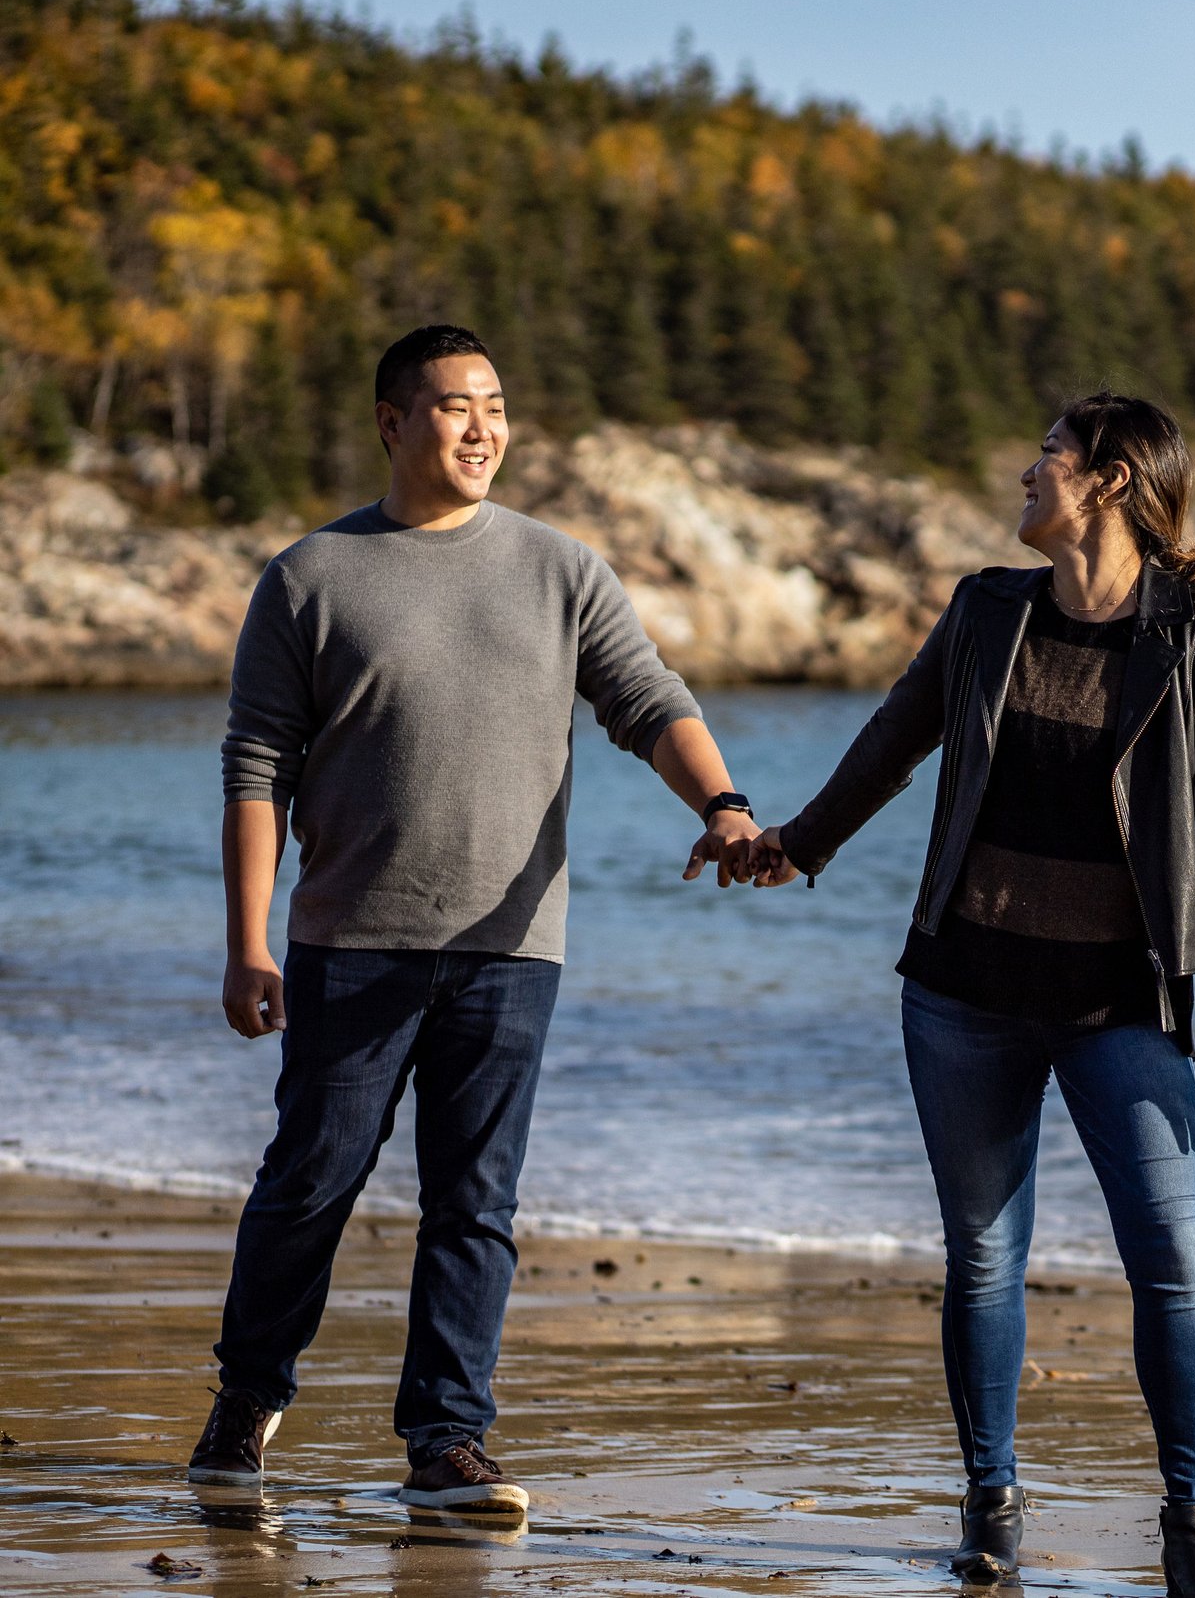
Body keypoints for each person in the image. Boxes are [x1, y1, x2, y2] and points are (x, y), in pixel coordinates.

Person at [738, 393, 1195, 1598]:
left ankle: (1191, 1523)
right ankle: (992, 1502)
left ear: (1109, 481)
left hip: (1122, 999)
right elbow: (892, 741)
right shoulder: (985, 611)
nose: (1026, 472)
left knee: (1173, 1257)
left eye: (1048, 458)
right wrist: (796, 844)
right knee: (980, 1255)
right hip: (963, 990)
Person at [186, 324, 791, 1514]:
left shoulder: (561, 568)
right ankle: (246, 1401)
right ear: (391, 421)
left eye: (498, 406)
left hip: (513, 947)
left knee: (477, 1201)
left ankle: (446, 1439)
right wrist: (247, 939)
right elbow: (255, 766)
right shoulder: (310, 576)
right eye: (456, 405)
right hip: (349, 942)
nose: (483, 427)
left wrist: (724, 803)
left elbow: (647, 700)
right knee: (311, 1179)